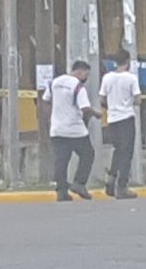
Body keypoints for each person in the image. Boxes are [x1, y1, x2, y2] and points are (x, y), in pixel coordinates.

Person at [42, 60, 102, 202]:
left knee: (61, 161)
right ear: (80, 72)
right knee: (88, 154)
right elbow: (85, 108)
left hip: (57, 129)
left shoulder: (54, 82)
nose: (86, 78)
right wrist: (96, 114)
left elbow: (45, 100)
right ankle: (79, 183)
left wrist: (49, 119)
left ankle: (61, 192)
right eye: (86, 75)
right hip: (75, 130)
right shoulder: (78, 86)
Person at [99, 50, 140, 200]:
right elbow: (138, 100)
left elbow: (102, 99)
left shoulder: (107, 78)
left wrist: (111, 106)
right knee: (126, 153)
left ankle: (111, 181)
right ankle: (122, 186)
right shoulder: (131, 78)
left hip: (112, 119)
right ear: (128, 61)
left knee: (117, 151)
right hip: (126, 118)